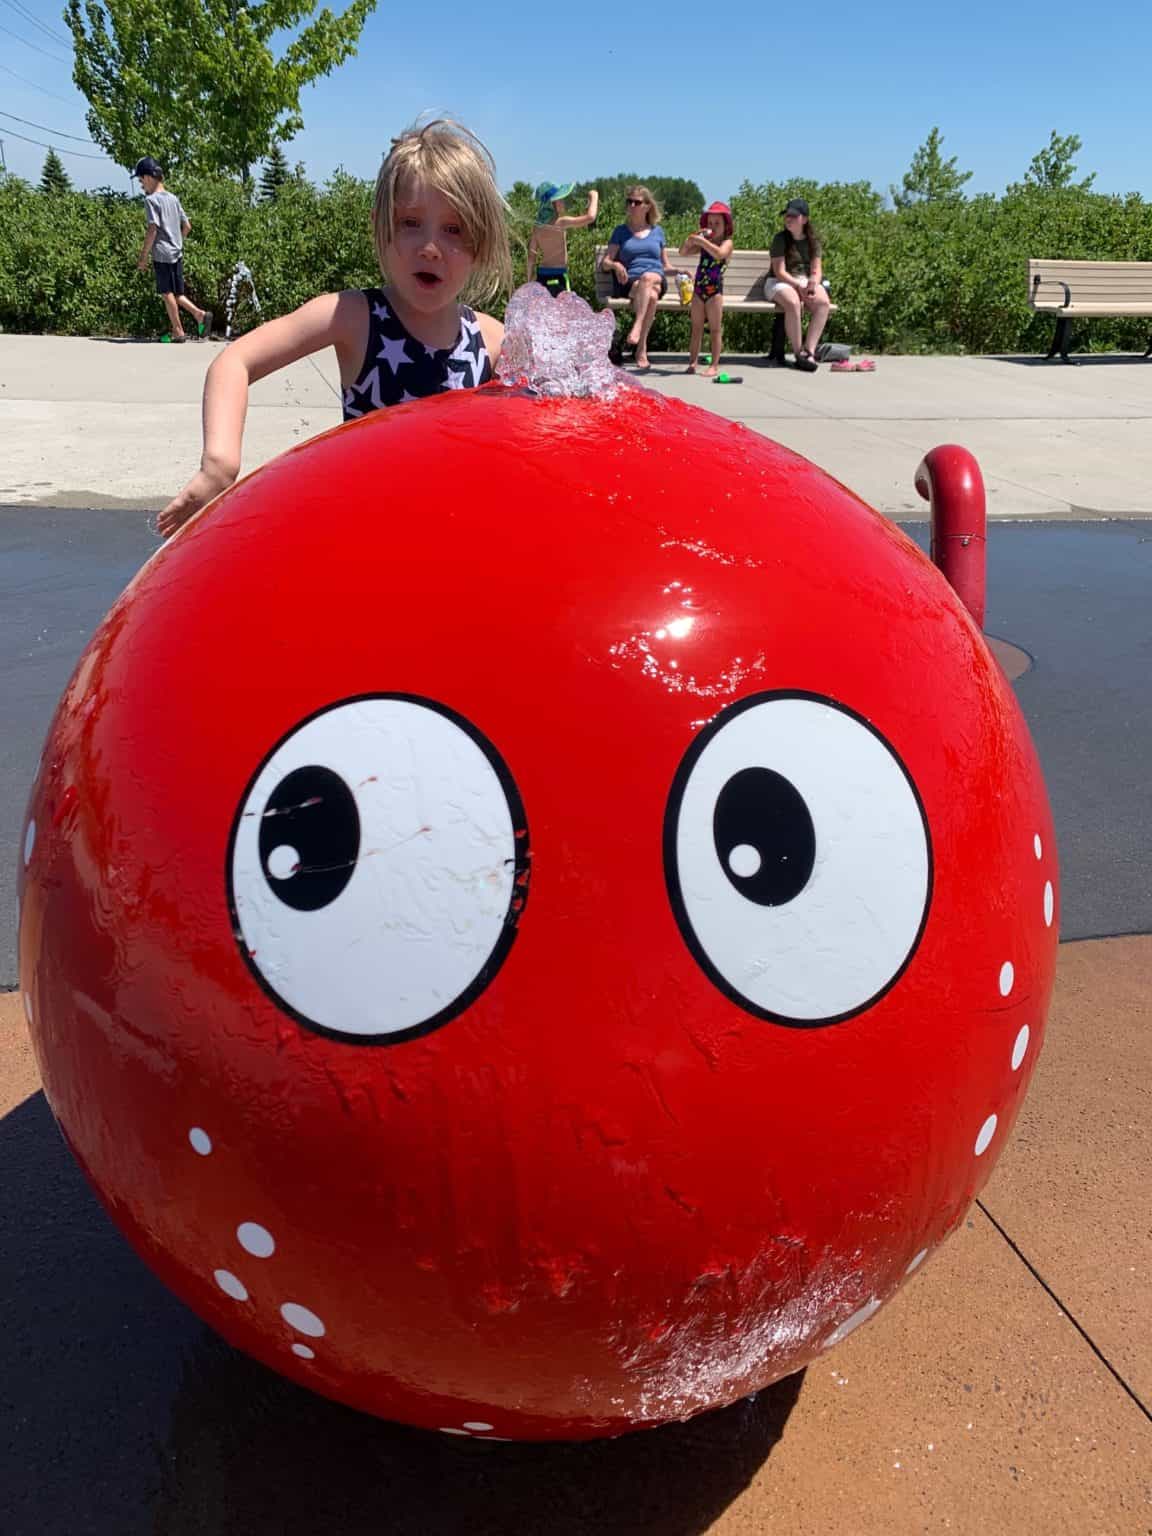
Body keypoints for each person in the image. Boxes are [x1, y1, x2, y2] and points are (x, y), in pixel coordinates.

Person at [156, 119, 512, 539]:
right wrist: (219, 463)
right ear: (380, 226)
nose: (429, 247)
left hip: (446, 543)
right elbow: (235, 360)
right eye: (410, 223)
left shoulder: (490, 340)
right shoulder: (354, 316)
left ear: (482, 241)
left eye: (454, 229)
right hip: (366, 541)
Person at [132, 156, 212, 344]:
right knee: (178, 293)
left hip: (162, 253)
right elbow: (187, 226)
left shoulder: (151, 201)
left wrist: (143, 257)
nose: (141, 184)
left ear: (149, 177)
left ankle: (178, 331)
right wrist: (178, 241)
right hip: (177, 252)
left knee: (166, 292)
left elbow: (153, 228)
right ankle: (199, 314)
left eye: (141, 180)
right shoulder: (173, 199)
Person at [601, 187, 676, 371]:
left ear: (647, 206)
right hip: (631, 283)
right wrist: (616, 265)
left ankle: (637, 326)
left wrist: (680, 272)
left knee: (648, 277)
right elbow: (605, 262)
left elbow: (665, 265)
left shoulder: (657, 232)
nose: (632, 205)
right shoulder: (620, 231)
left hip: (656, 278)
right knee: (650, 297)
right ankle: (641, 349)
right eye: (629, 202)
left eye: (637, 202)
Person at [766, 197, 831, 373]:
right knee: (793, 302)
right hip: (778, 282)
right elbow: (779, 272)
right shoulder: (780, 239)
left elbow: (816, 270)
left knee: (823, 303)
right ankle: (798, 354)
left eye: (793, 216)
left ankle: (809, 351)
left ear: (805, 219)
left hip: (802, 281)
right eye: (787, 215)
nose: (788, 219)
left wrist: (812, 284)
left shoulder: (813, 242)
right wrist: (798, 286)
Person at [679, 201, 734, 377]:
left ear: (725, 226)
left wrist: (702, 242)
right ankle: (692, 362)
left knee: (715, 328)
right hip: (698, 289)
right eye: (710, 223)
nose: (713, 227)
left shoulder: (727, 242)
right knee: (696, 328)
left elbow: (719, 254)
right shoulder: (704, 243)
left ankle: (714, 365)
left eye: (717, 223)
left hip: (715, 291)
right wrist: (691, 240)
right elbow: (682, 252)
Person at [528, 181, 599, 296]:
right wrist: (594, 196)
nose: (563, 202)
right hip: (559, 275)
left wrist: (529, 281)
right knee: (562, 311)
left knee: (545, 312)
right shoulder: (561, 222)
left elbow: (531, 257)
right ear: (552, 204)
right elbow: (590, 217)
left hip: (541, 276)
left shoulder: (537, 228)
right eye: (560, 200)